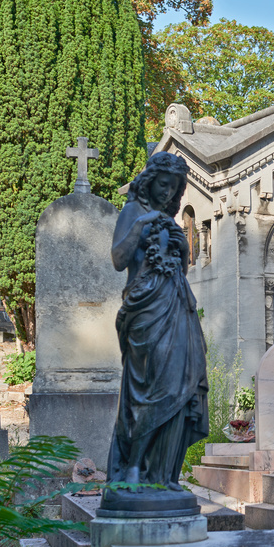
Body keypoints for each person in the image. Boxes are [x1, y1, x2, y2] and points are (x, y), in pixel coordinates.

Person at [107, 152, 208, 492]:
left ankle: (164, 475)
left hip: (177, 305)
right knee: (150, 388)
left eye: (175, 188)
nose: (168, 193)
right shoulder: (133, 212)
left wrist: (183, 253)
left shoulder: (169, 220)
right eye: (164, 184)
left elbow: (175, 269)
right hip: (144, 311)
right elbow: (119, 259)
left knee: (182, 382)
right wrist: (141, 225)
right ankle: (133, 466)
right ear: (150, 181)